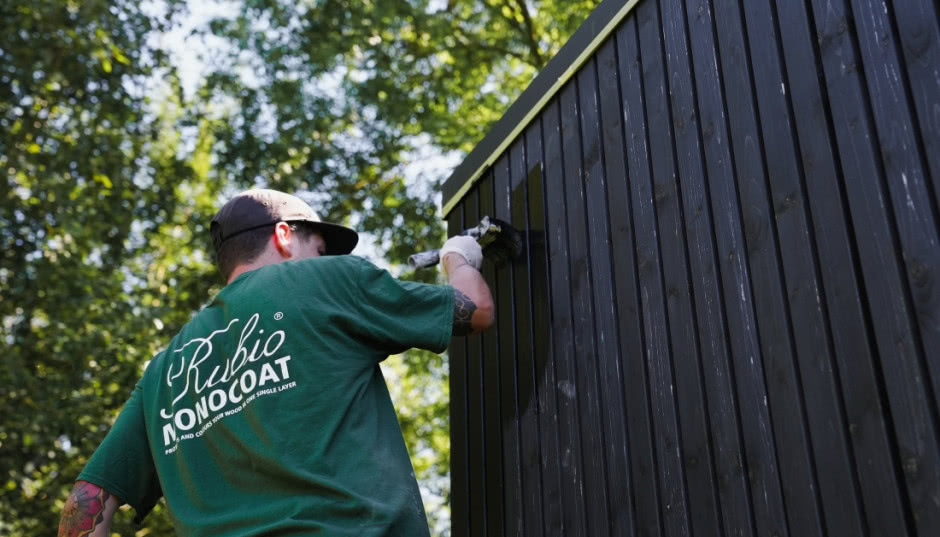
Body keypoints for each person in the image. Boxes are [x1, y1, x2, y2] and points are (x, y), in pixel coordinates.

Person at [58, 189, 494, 537]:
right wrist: (458, 257)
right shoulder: (323, 280)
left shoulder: (164, 371)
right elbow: (475, 310)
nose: (326, 260)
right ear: (285, 236)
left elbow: (87, 498)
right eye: (320, 249)